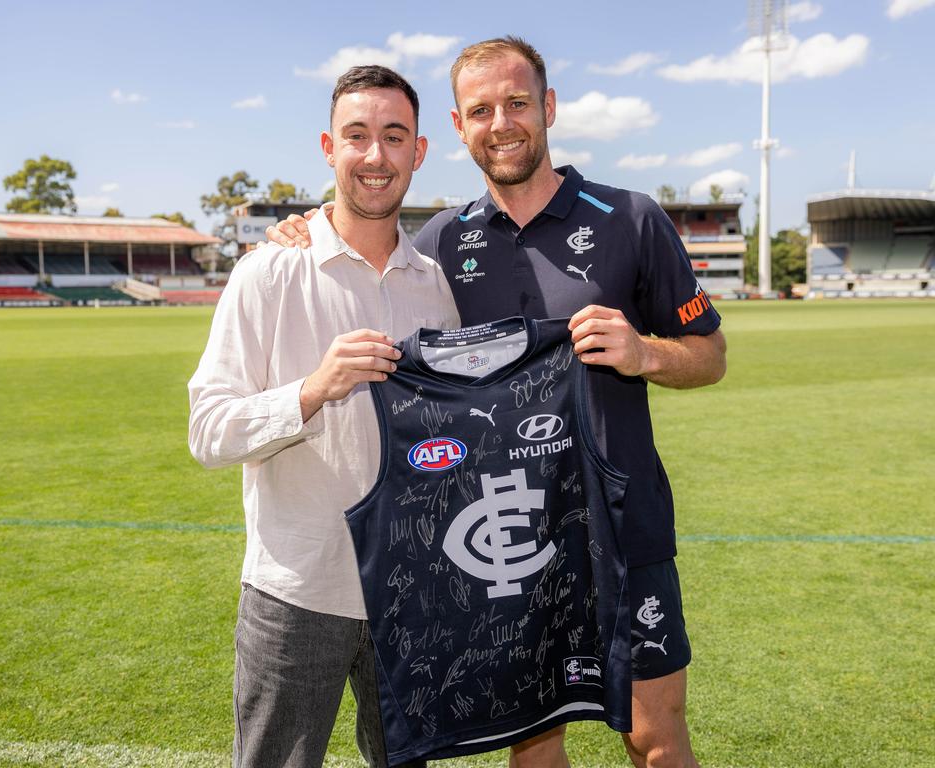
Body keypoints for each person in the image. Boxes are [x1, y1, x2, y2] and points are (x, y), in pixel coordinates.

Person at [266, 36, 727, 768]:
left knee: (656, 741)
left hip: (622, 522)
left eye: (517, 103)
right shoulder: (445, 242)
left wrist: (644, 354)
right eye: (481, 110)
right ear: (457, 128)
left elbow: (710, 356)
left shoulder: (630, 218)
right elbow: (371, 255)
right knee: (535, 749)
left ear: (547, 107)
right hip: (513, 537)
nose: (501, 123)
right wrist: (302, 229)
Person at [188, 65, 459, 768]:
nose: (375, 156)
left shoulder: (435, 288)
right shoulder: (270, 272)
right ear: (328, 146)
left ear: (418, 152)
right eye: (357, 136)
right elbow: (208, 431)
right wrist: (311, 390)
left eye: (393, 137)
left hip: (407, 591)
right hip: (296, 592)